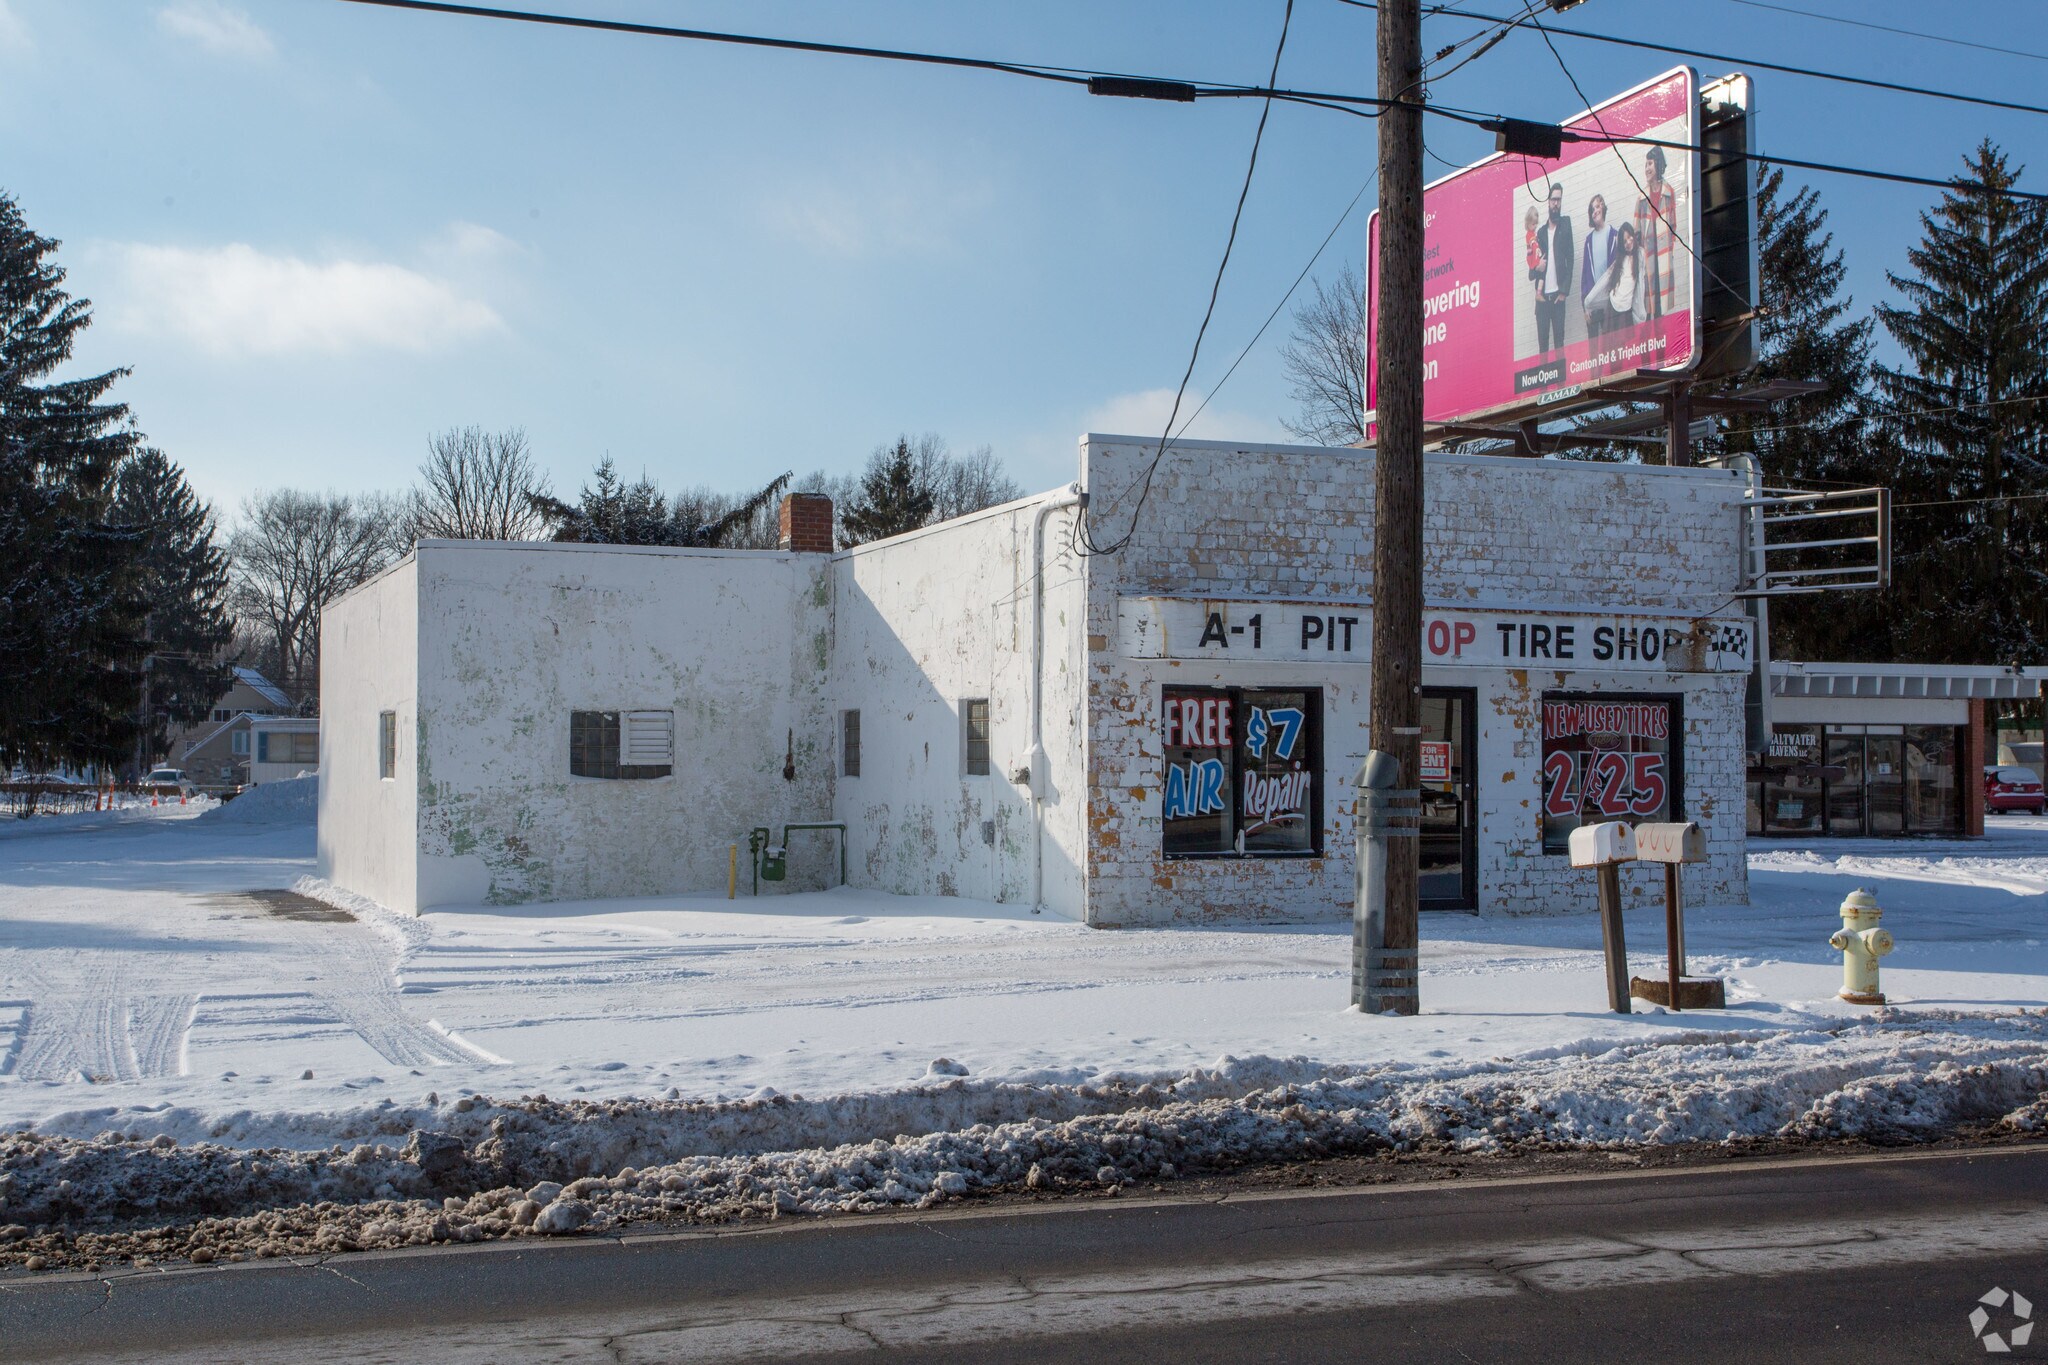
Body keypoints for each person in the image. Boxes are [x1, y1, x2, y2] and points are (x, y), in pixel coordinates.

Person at [1634, 146, 1680, 320]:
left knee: (1662, 302)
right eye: (1645, 164)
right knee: (1649, 300)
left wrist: (1669, 246)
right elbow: (1636, 228)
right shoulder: (1641, 197)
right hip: (1648, 253)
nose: (1647, 168)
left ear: (1658, 165)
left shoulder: (1669, 192)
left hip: (1663, 252)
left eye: (1650, 164)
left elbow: (1673, 224)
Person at [1533, 183, 1573, 353]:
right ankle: (1544, 380)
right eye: (1553, 199)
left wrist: (1564, 291)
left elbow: (1571, 259)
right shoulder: (1540, 233)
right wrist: (1537, 267)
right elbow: (1531, 267)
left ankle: (1562, 381)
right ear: (1548, 202)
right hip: (1542, 299)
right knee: (1543, 346)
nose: (1556, 203)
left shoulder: (1565, 224)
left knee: (1559, 345)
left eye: (1559, 199)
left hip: (1557, 297)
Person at [1577, 193, 1616, 341]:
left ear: (1604, 207)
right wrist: (1584, 306)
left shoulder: (1615, 235)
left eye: (1598, 206)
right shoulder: (1588, 240)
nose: (1595, 211)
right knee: (1593, 350)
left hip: (1609, 301)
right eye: (1592, 209)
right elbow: (1585, 275)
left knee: (1610, 345)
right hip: (1593, 304)